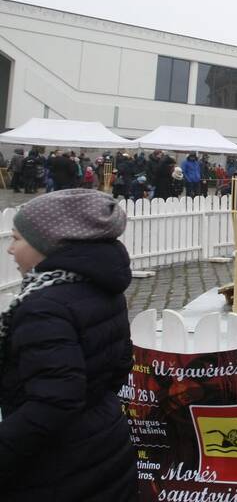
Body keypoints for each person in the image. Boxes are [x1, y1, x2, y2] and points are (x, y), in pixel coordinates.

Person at [0, 189, 136, 500]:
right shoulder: (98, 288)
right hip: (104, 444)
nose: (10, 249)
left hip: (56, 467)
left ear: (50, 245)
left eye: (17, 238)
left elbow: (54, 401)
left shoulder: (43, 305)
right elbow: (119, 365)